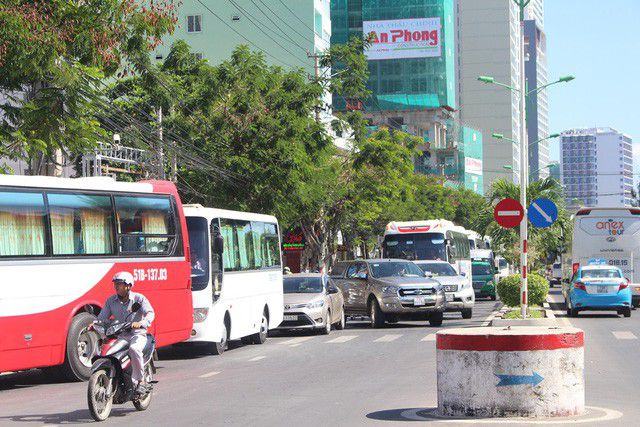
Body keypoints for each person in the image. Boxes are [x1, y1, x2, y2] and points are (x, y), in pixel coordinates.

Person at [96, 271, 155, 396]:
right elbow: (102, 317)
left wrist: (142, 322)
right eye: (115, 284)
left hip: (138, 334)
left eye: (120, 284)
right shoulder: (111, 301)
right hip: (122, 335)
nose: (117, 286)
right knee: (108, 352)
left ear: (128, 285)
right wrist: (94, 323)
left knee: (134, 349)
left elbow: (150, 313)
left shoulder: (139, 299)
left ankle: (140, 381)